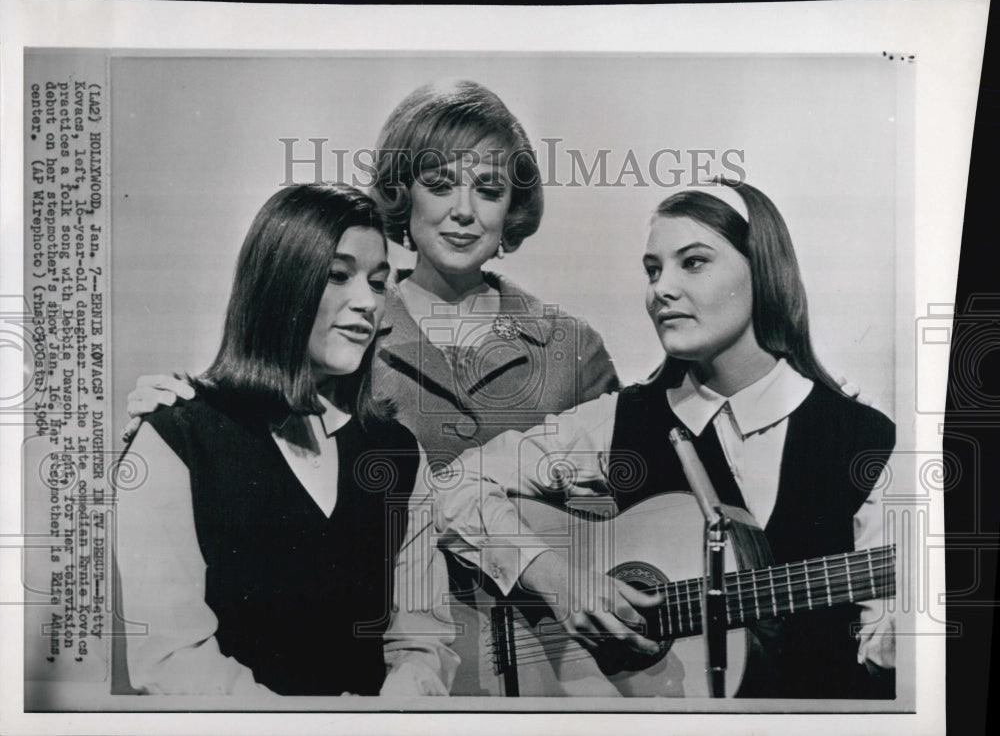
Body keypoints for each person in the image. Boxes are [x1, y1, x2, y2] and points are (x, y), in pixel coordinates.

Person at [121, 80, 661, 695]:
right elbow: (248, 410)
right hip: (387, 678)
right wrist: (178, 398)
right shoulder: (339, 336)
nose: (464, 211)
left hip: (551, 670)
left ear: (512, 206)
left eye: (488, 189)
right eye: (439, 184)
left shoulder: (572, 346)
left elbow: (623, 511)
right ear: (401, 194)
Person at [433, 179, 897, 698]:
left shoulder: (867, 440)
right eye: (653, 270)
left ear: (763, 270)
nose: (661, 289)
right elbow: (455, 483)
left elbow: (885, 653)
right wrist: (555, 577)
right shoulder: (622, 420)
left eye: (692, 262)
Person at [116, 184, 431, 695]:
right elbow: (171, 659)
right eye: (337, 276)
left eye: (378, 283)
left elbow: (421, 641)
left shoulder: (398, 452)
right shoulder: (175, 437)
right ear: (278, 283)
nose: (367, 303)